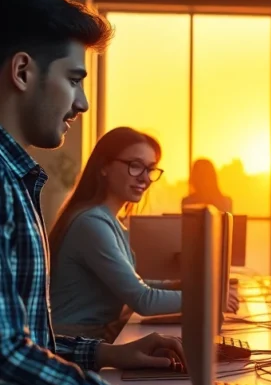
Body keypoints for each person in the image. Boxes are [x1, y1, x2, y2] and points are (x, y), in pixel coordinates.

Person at [0, 0, 265, 385]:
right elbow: (6, 359)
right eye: (74, 80)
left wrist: (108, 355)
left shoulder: (17, 181)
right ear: (22, 72)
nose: (82, 103)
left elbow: (25, 343)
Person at [49, 128, 239, 343]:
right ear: (104, 166)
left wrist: (182, 285)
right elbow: (143, 299)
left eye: (150, 169)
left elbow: (135, 283)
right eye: (135, 166)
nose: (145, 178)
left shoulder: (110, 221)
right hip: (71, 347)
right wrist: (210, 298)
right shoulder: (92, 224)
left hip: (93, 340)